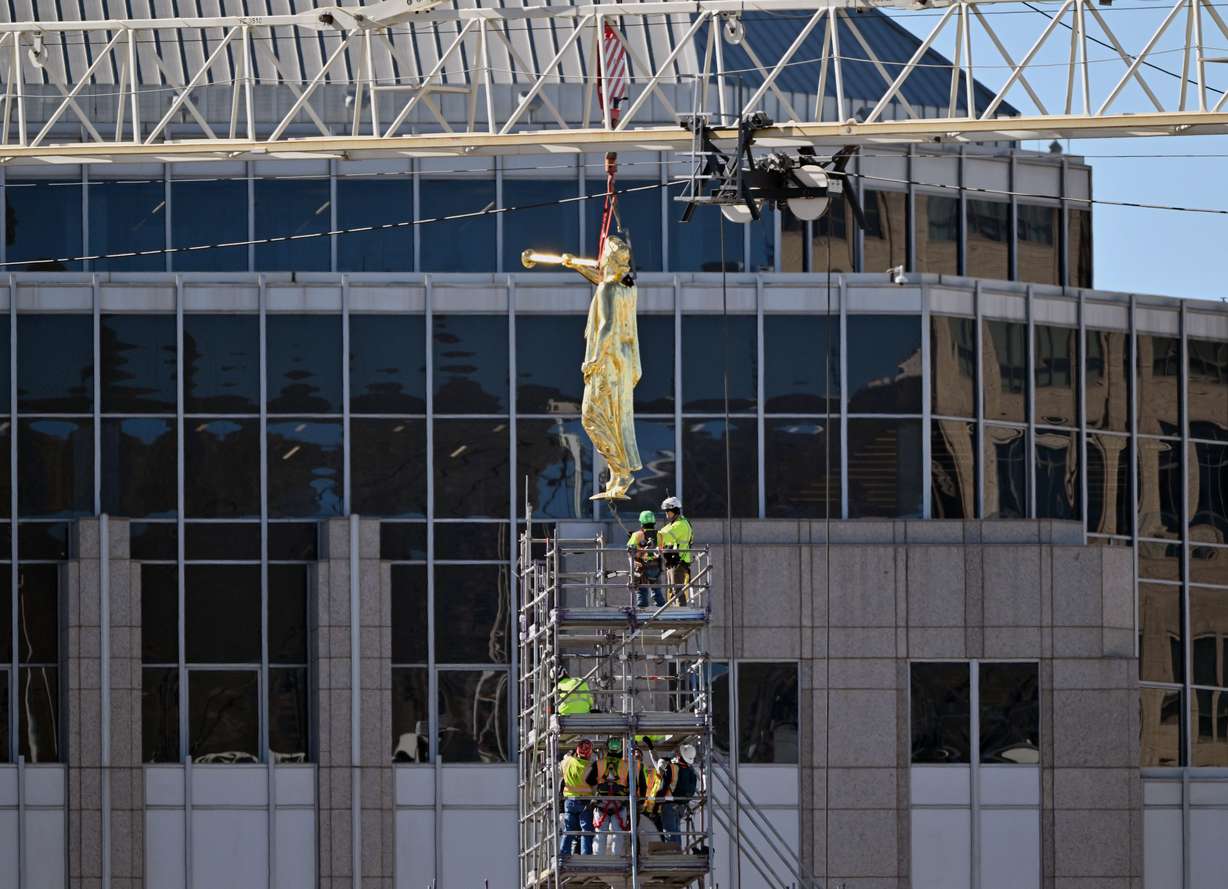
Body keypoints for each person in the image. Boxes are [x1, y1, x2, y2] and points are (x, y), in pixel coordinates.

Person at [558, 738, 598, 858]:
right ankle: (586, 856)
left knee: (569, 830)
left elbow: (560, 772)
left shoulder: (566, 762)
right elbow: (594, 785)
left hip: (569, 801)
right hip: (584, 802)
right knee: (586, 831)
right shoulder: (590, 766)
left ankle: (564, 853)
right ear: (589, 753)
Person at [658, 743, 699, 850]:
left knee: (670, 832)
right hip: (682, 807)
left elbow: (663, 787)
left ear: (681, 756)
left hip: (669, 805)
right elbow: (692, 791)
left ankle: (673, 854)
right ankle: (677, 851)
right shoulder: (692, 772)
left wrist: (656, 800)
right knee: (676, 830)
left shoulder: (672, 768)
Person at [658, 496, 694, 605]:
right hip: (675, 561)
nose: (666, 514)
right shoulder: (679, 523)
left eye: (668, 511)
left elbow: (663, 534)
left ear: (674, 511)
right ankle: (675, 610)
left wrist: (644, 536)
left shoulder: (680, 525)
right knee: (672, 590)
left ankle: (681, 612)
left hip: (679, 562)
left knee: (677, 590)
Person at [627, 510, 664, 608]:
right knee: (656, 590)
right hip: (655, 565)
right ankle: (661, 609)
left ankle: (642, 611)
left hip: (642, 566)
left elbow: (630, 550)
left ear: (641, 523)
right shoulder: (659, 535)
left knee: (642, 591)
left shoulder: (637, 535)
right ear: (654, 522)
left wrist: (631, 538)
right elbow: (661, 549)